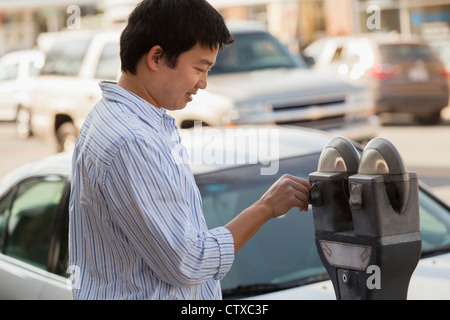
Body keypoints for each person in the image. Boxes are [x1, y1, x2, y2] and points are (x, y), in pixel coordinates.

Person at [69, 0, 311, 300]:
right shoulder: (131, 140)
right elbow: (189, 262)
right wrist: (266, 208)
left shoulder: (113, 118)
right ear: (156, 57)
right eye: (200, 68)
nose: (203, 83)